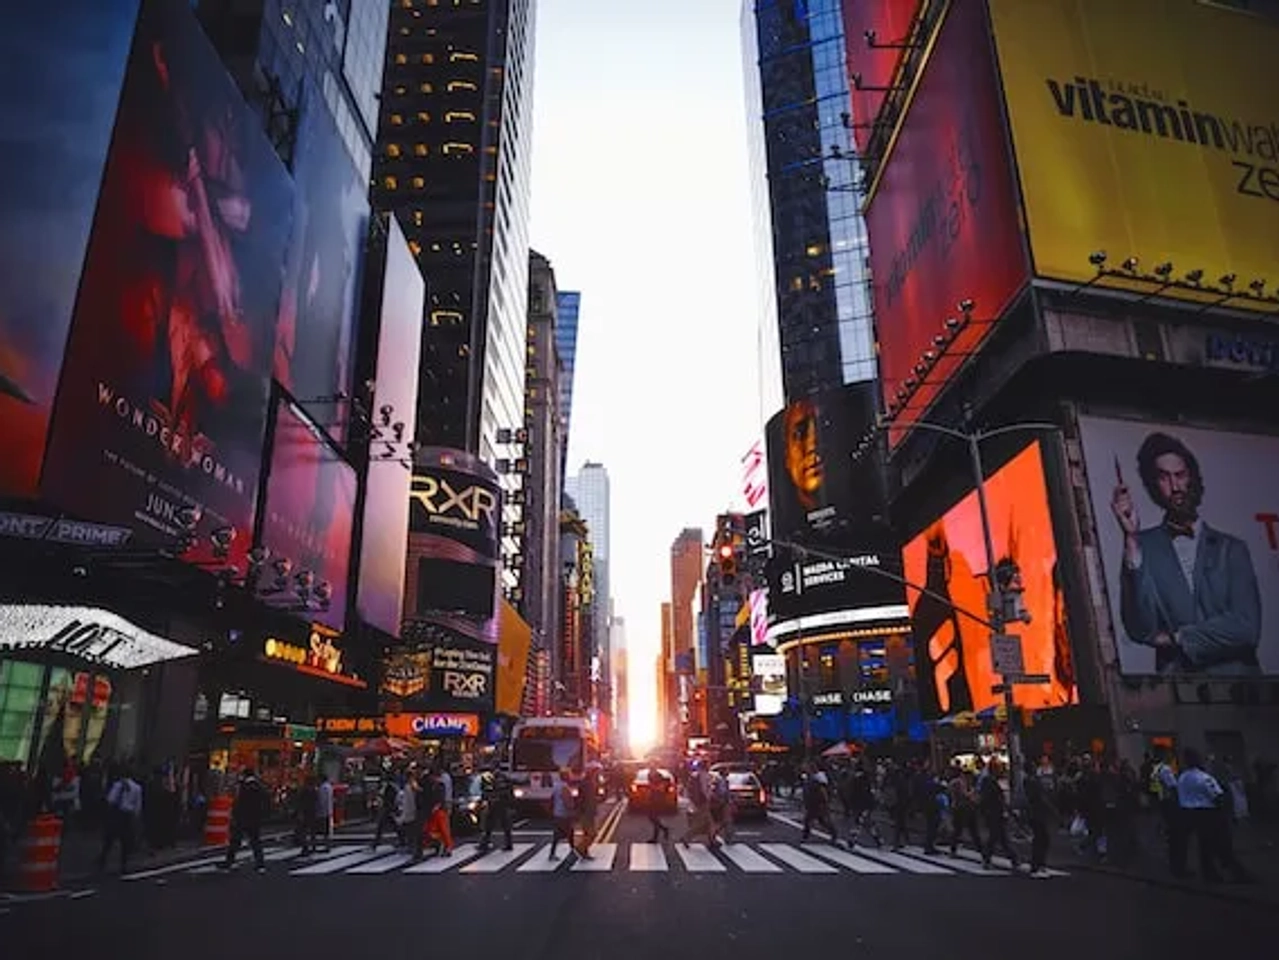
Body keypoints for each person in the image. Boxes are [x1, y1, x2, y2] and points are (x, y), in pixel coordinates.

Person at [1111, 432, 1261, 675]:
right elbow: (1140, 629)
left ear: (1192, 477)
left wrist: (1178, 637)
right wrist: (1131, 538)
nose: (1175, 487)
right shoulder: (1142, 546)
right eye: (1164, 478)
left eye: (1180, 475)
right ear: (1153, 485)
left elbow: (1246, 628)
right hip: (1179, 694)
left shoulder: (1231, 548)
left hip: (1243, 694)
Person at [97, 766, 143, 875]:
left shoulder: (117, 785)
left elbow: (111, 799)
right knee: (125, 840)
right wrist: (136, 817)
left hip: (117, 814)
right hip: (127, 815)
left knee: (110, 838)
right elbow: (138, 805)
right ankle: (123, 864)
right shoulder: (137, 788)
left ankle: (103, 859)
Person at [220, 768, 267, 874]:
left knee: (235, 840)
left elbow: (239, 803)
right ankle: (260, 864)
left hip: (243, 817)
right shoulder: (259, 787)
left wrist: (235, 815)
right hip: (255, 818)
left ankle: (229, 861)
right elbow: (264, 803)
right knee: (255, 841)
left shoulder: (244, 787)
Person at [1023, 757, 1053, 878]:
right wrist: (1052, 810)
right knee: (1042, 838)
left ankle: (1038, 863)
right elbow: (1041, 797)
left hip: (1034, 812)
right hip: (1037, 812)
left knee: (1040, 838)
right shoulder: (1033, 781)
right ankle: (1037, 864)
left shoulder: (1029, 780)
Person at [479, 766, 514, 853]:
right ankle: (508, 844)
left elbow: (486, 790)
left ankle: (485, 844)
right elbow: (510, 789)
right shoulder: (503, 778)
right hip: (501, 804)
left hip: (497, 804)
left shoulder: (492, 778)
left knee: (490, 825)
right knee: (503, 825)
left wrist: (487, 797)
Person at [548, 768, 576, 861]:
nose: (571, 777)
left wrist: (552, 810)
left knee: (559, 834)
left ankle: (552, 853)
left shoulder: (556, 786)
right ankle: (573, 850)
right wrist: (572, 810)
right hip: (564, 814)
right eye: (569, 775)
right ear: (566, 777)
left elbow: (552, 799)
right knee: (569, 832)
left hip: (557, 813)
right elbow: (567, 802)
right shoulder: (565, 787)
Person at [646, 767, 672, 843]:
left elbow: (661, 787)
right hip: (653, 798)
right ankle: (664, 829)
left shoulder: (658, 775)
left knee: (654, 817)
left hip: (658, 799)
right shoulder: (650, 775)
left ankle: (656, 837)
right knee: (652, 817)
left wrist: (655, 788)